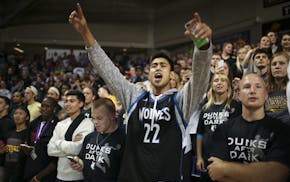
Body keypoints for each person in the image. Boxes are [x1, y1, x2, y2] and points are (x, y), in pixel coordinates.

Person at [69, 3, 212, 181]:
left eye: (163, 65)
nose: (158, 68)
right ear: (148, 72)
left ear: (171, 73)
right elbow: (108, 70)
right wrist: (85, 33)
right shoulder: (135, 96)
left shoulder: (180, 101)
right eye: (154, 65)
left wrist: (203, 46)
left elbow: (200, 77)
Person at [207, 73, 290, 182]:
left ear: (266, 95)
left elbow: (277, 174)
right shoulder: (223, 129)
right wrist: (259, 174)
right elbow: (216, 173)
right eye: (247, 87)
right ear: (238, 95)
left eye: (258, 87)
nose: (252, 91)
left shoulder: (281, 130)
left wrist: (225, 168)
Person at [196, 73, 241, 180]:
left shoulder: (236, 106)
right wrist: (199, 157)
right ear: (211, 85)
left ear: (228, 86)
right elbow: (199, 134)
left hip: (229, 160)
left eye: (223, 80)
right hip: (207, 159)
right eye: (216, 80)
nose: (219, 82)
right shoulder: (205, 108)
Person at [70, 98, 126, 182]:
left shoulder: (124, 139)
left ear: (112, 116)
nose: (95, 122)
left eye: (99, 118)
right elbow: (82, 158)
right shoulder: (89, 137)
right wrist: (79, 163)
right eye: (93, 118)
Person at [47, 90, 94, 181]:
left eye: (72, 101)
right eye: (66, 101)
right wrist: (70, 144)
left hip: (78, 176)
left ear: (81, 104)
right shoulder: (61, 124)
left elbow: (79, 148)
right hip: (59, 175)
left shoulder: (89, 124)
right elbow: (50, 150)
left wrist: (58, 142)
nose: (67, 104)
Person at [24, 97, 59, 182]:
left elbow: (56, 159)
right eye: (43, 106)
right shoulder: (33, 123)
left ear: (54, 109)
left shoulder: (58, 126)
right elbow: (29, 142)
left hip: (46, 172)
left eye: (48, 106)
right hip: (30, 167)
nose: (44, 109)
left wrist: (39, 176)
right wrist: (26, 149)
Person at [4, 106, 30, 182]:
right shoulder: (9, 132)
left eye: (21, 114)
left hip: (21, 170)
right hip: (7, 168)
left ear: (27, 117)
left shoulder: (28, 133)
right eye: (15, 113)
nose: (17, 116)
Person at [265, 52, 290, 124]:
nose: (277, 66)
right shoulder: (263, 88)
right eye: (274, 64)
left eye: (281, 63)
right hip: (267, 129)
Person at [0, 95, 15, 181]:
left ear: (7, 106)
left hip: (2, 163)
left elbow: (9, 144)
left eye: (0, 103)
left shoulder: (7, 122)